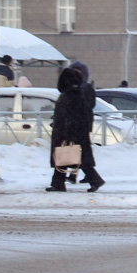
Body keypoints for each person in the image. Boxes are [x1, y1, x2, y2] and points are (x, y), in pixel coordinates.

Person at [47, 61, 105, 192]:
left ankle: (94, 180)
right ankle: (58, 183)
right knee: (67, 157)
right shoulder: (76, 94)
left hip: (68, 132)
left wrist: (65, 130)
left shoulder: (70, 95)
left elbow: (68, 115)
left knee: (71, 157)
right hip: (74, 131)